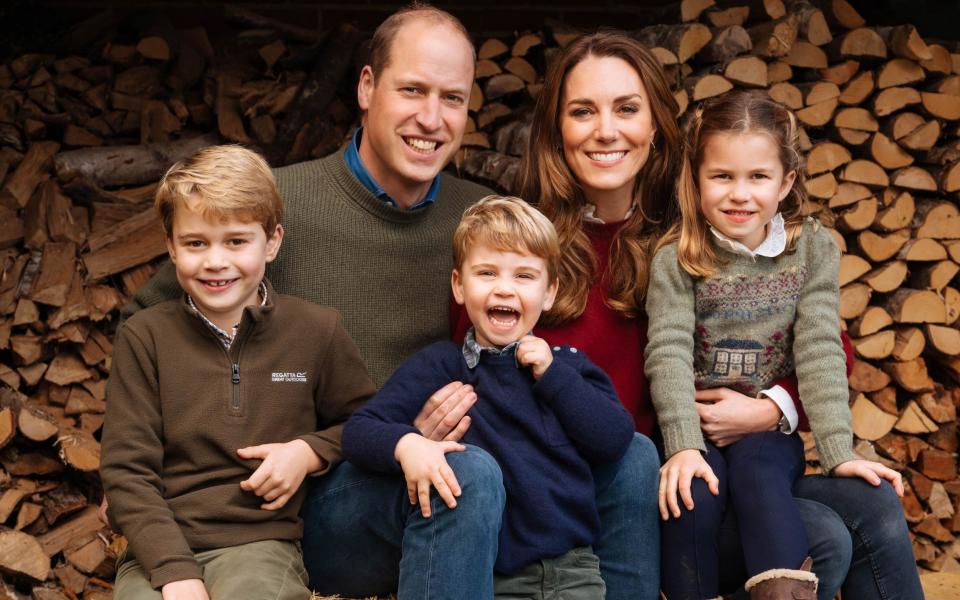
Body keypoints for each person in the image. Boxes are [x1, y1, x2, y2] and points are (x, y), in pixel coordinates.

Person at [115, 5, 659, 599]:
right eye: (412, 90)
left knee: (631, 453)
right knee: (467, 471)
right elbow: (158, 321)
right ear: (367, 87)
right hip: (329, 494)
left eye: (452, 98)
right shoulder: (282, 206)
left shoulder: (476, 219)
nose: (431, 118)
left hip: (453, 485)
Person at [514, 31, 923, 600]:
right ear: (557, 127)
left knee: (874, 505)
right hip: (635, 483)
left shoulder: (696, 227)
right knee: (824, 535)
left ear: (655, 124)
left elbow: (830, 347)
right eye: (583, 111)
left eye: (626, 109)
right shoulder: (526, 247)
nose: (606, 130)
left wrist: (768, 410)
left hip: (743, 447)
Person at [645, 90, 905, 599]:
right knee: (692, 495)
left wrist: (837, 451)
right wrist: (681, 445)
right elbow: (668, 349)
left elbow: (820, 349)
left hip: (766, 435)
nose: (739, 193)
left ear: (785, 182)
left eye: (757, 177)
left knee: (760, 475)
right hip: (695, 428)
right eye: (722, 176)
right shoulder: (678, 258)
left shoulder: (811, 248)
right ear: (695, 180)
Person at [100, 145, 375, 599]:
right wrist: (175, 572)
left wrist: (307, 452)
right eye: (195, 243)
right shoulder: (145, 338)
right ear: (170, 246)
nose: (215, 261)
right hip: (159, 546)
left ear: (272, 242)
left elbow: (365, 423)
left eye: (235, 241)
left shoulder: (317, 331)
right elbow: (127, 472)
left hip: (259, 544)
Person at [344, 196, 635, 598]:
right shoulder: (442, 366)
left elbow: (615, 439)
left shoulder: (568, 368)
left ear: (549, 293)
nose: (504, 288)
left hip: (572, 569)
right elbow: (359, 430)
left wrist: (553, 377)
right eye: (486, 273)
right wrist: (408, 444)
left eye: (524, 276)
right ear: (459, 286)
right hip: (492, 572)